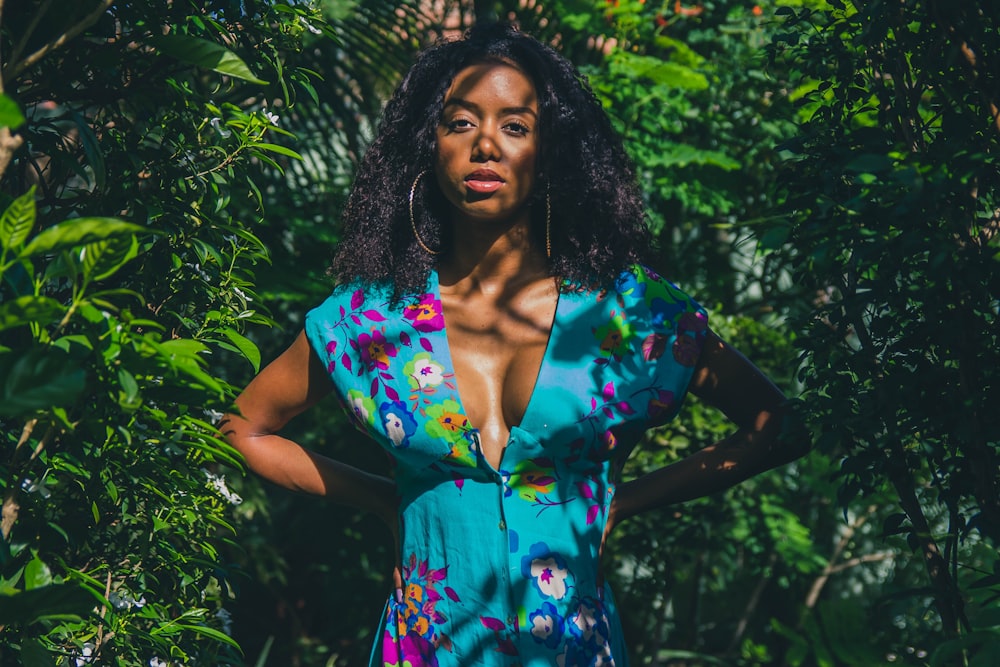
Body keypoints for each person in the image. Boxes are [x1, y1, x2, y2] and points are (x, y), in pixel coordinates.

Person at [222, 22, 805, 667]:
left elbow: (775, 426)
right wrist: (386, 503)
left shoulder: (629, 313)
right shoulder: (368, 320)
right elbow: (242, 428)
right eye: (461, 123)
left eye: (516, 126)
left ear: (549, 154)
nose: (486, 146)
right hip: (425, 648)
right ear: (428, 146)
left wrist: (623, 503)